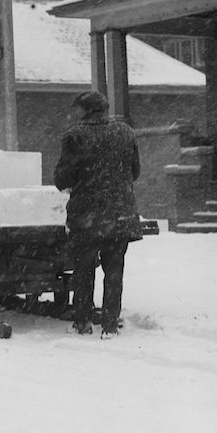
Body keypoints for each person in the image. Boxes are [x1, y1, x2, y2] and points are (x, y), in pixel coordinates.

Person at [53, 91, 142, 339]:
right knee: (114, 272)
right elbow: (135, 171)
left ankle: (83, 322)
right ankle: (110, 325)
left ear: (85, 110)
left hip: (87, 217)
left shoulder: (74, 136)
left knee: (83, 271)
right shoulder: (125, 132)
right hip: (120, 214)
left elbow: (63, 178)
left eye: (77, 110)